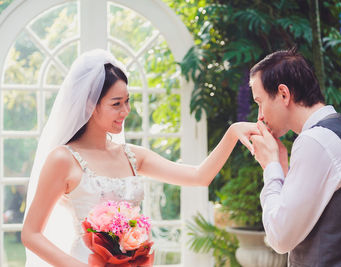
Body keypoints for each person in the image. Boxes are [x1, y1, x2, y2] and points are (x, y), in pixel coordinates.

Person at [21, 49, 257, 266]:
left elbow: (199, 176)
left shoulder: (133, 156)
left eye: (127, 101)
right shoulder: (63, 159)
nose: (126, 111)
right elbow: (31, 234)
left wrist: (232, 133)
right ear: (91, 106)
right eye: (116, 104)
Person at [248, 48, 341, 266]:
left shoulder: (316, 141)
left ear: (284, 94)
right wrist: (282, 168)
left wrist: (270, 167)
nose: (260, 116)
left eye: (259, 102)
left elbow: (280, 237)